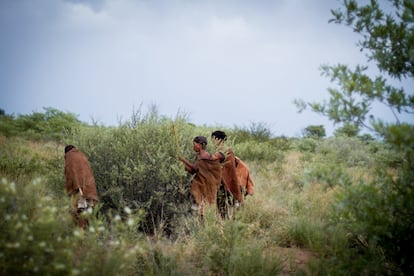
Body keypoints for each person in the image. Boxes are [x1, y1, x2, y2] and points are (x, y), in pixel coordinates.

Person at [179, 136, 223, 222]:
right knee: (201, 206)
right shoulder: (200, 156)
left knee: (202, 206)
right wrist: (185, 167)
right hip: (201, 184)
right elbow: (194, 171)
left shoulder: (203, 156)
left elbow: (195, 168)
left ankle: (204, 225)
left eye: (194, 144)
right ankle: (201, 224)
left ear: (200, 145)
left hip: (203, 185)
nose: (193, 146)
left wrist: (183, 160)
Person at [64, 145, 99, 228]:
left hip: (79, 190)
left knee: (78, 213)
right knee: (88, 212)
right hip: (90, 189)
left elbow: (72, 174)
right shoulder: (82, 155)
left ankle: (79, 235)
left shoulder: (70, 157)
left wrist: (78, 190)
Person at [211, 130, 244, 218]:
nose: (212, 141)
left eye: (213, 139)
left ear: (218, 139)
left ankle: (231, 225)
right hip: (220, 182)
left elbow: (230, 168)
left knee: (228, 205)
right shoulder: (217, 150)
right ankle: (225, 226)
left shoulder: (227, 151)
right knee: (221, 207)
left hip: (227, 182)